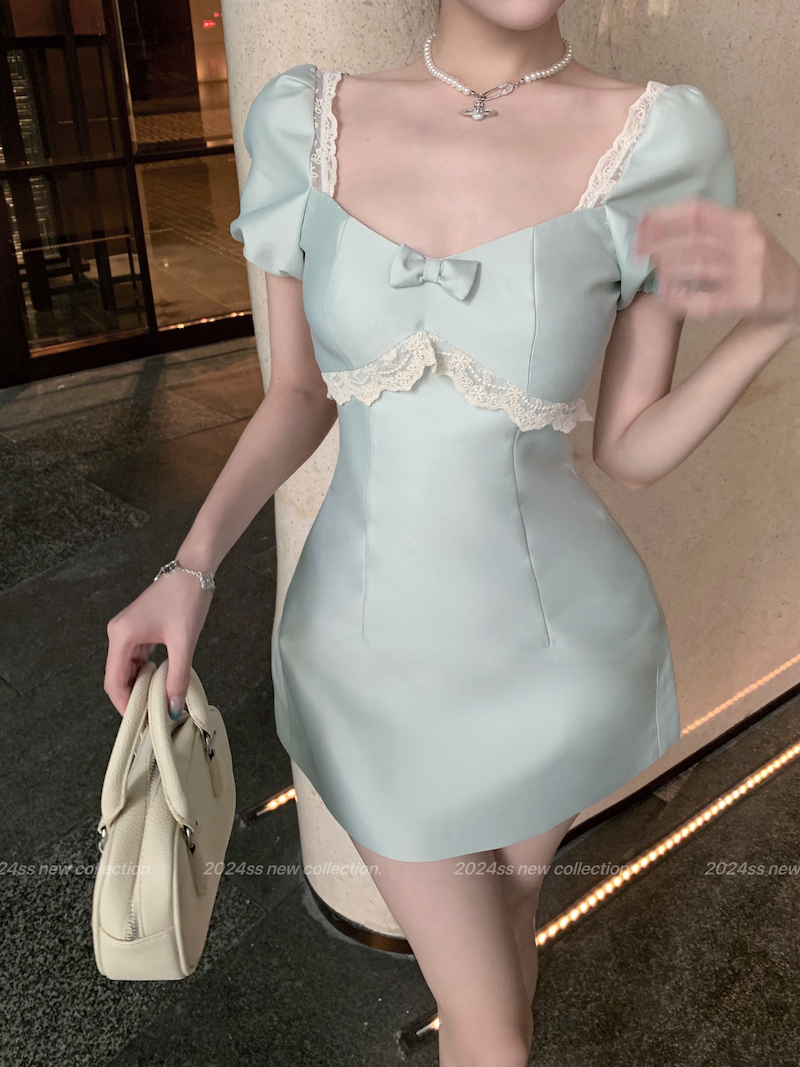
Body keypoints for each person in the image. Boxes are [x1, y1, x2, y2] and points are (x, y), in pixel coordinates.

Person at [105, 1, 800, 1063]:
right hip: (364, 660)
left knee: (498, 951)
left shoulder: (658, 139)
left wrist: (777, 316)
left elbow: (628, 446)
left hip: (558, 652)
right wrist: (189, 566)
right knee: (493, 1020)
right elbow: (298, 393)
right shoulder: (305, 120)